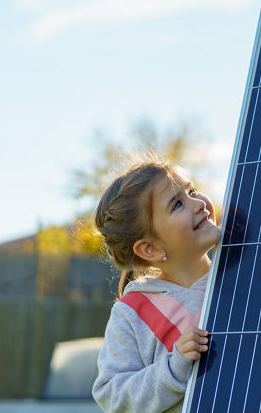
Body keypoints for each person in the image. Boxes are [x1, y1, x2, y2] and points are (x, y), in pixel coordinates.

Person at [91, 161, 222, 413]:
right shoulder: (132, 312)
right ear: (151, 248)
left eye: (192, 191)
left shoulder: (246, 278)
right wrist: (174, 369)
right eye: (177, 204)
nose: (198, 204)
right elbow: (112, 396)